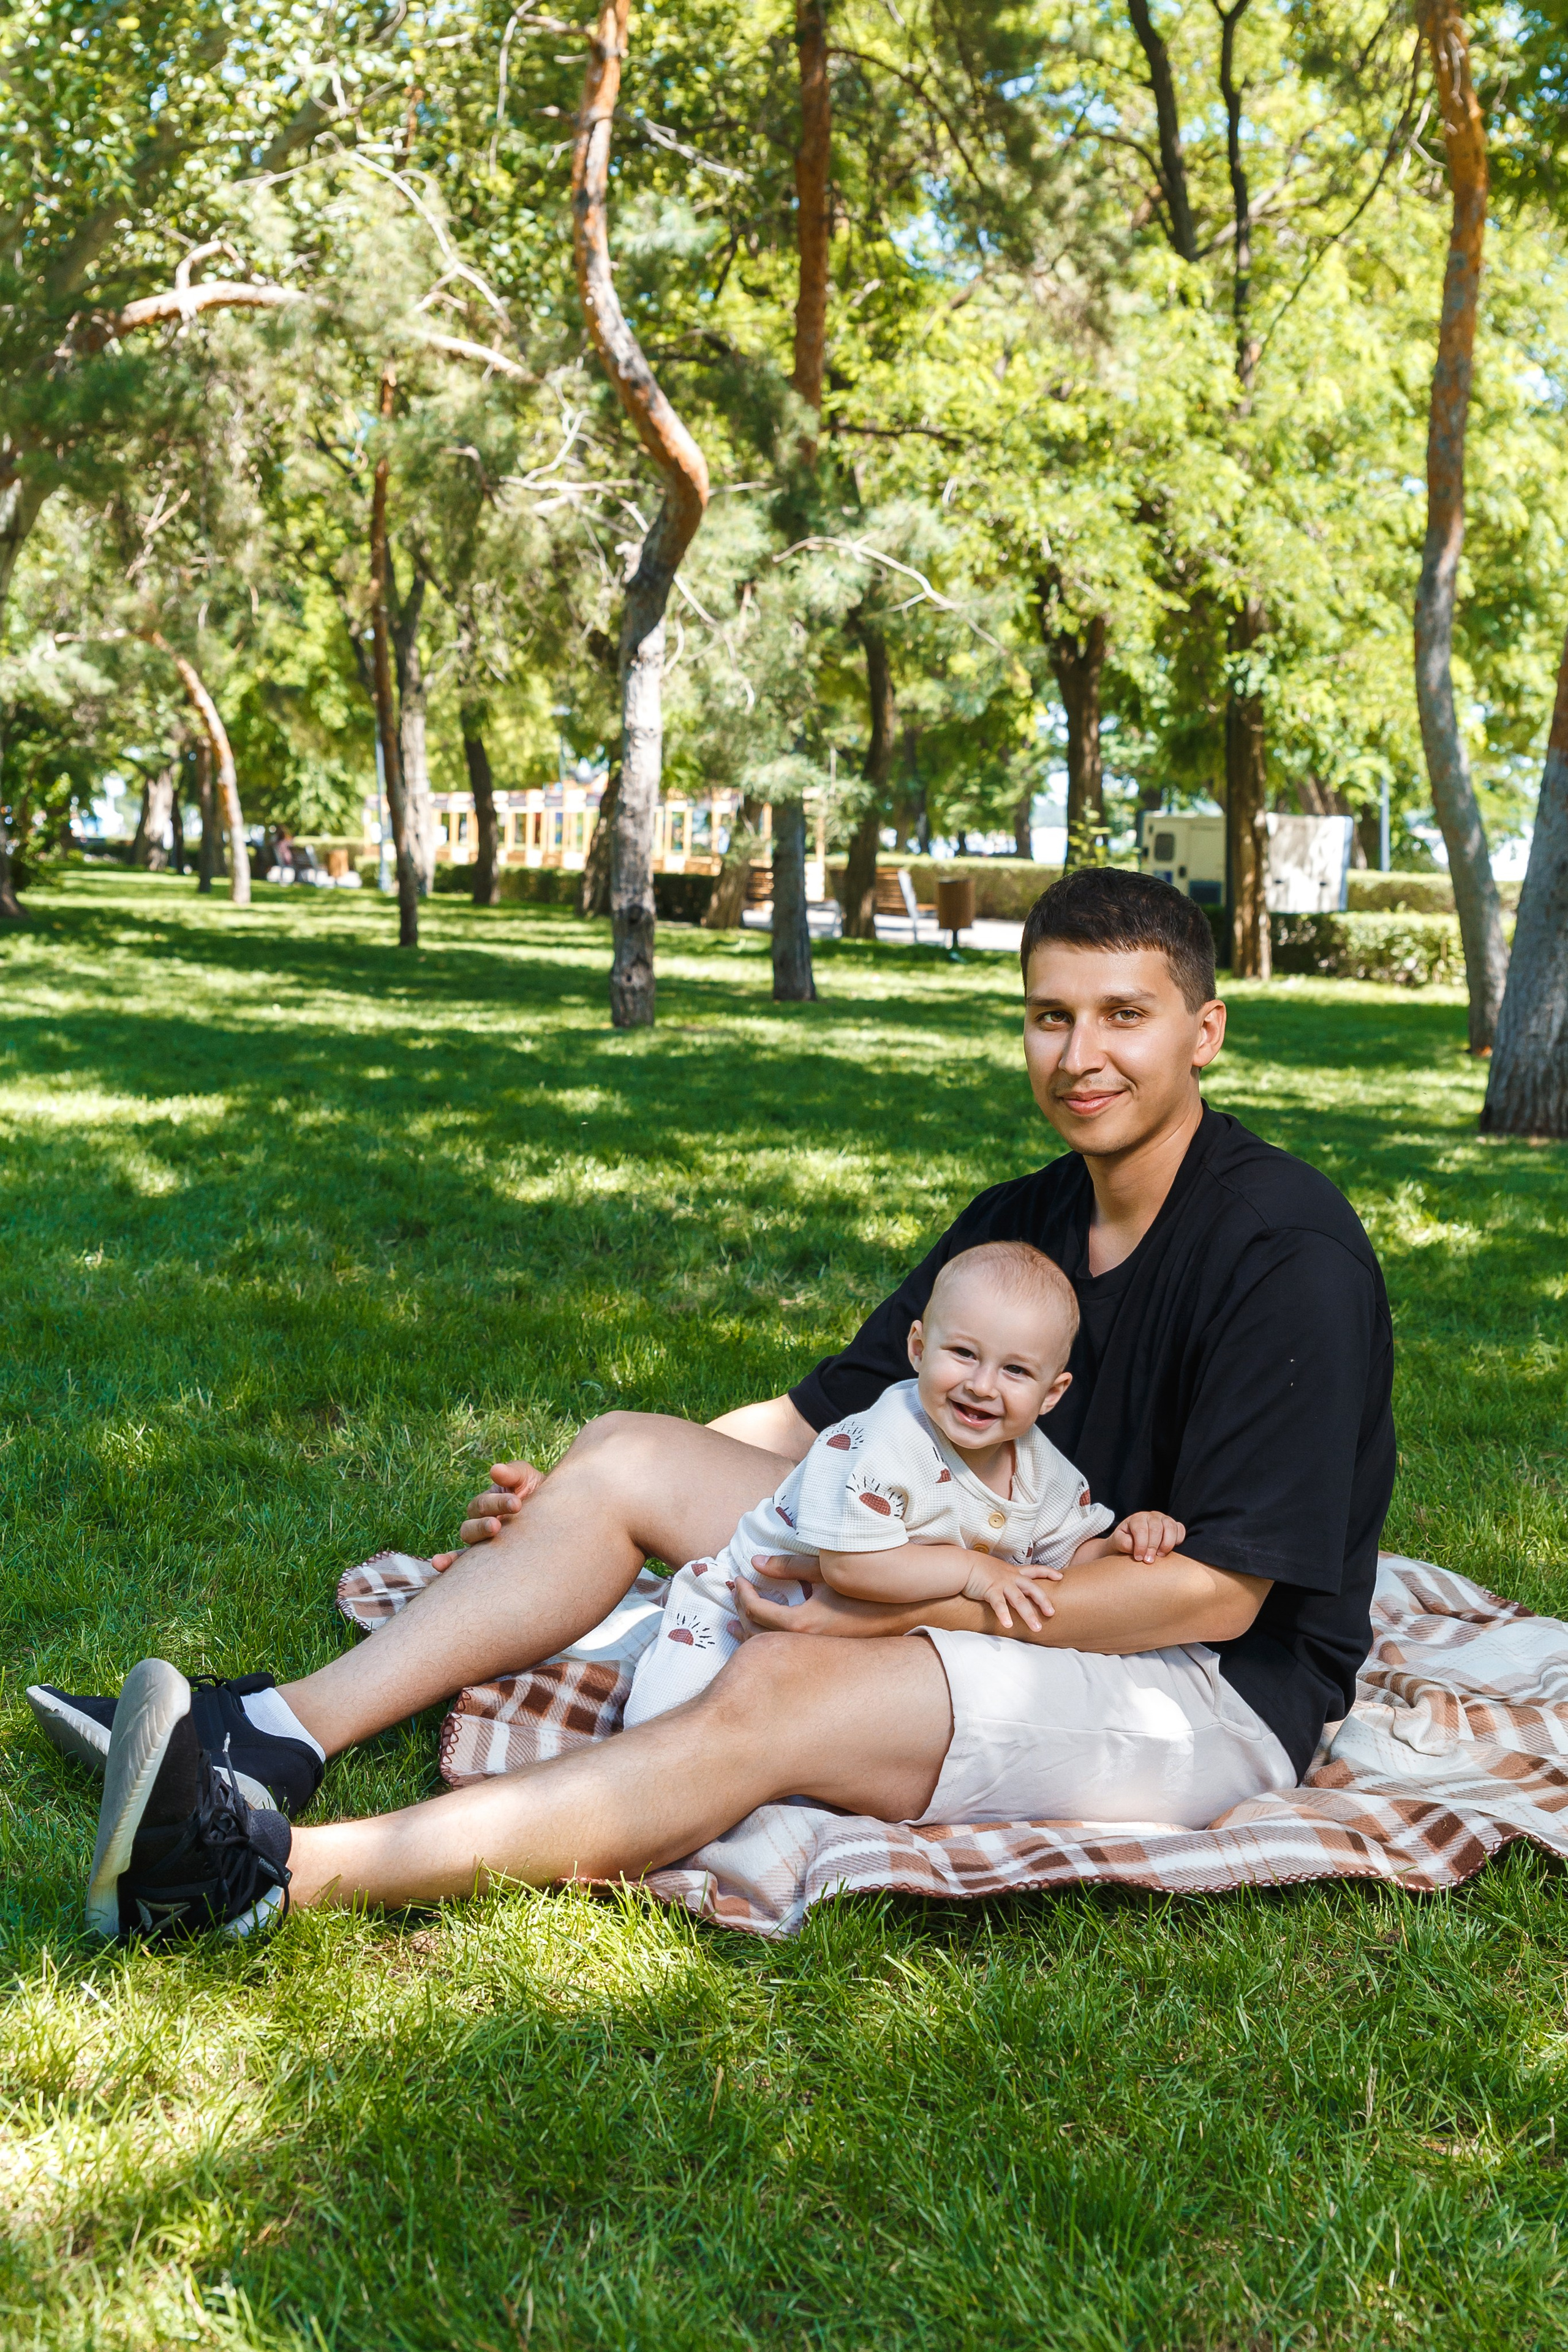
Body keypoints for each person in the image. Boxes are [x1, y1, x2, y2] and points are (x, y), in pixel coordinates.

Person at [33, 867, 1396, 1941]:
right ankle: (274, 1738)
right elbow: (815, 1428)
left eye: (1122, 1015)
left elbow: (1216, 1599)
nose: (1078, 1054)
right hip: (987, 1560)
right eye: (1050, 1015)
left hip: (1192, 1690)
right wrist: (573, 1498)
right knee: (625, 1452)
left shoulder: (1286, 1256)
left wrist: (892, 1603)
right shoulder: (1020, 1227)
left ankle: (258, 1876)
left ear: (1202, 1030)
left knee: (783, 1674)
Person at [623, 1238, 1183, 1727]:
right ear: (918, 1349)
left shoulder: (1044, 1471)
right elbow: (852, 1567)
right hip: (745, 1603)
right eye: (963, 1353)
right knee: (670, 1724)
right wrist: (973, 1571)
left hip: (857, 1636)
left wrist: (1118, 1544)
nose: (983, 1385)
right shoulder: (883, 1441)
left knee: (804, 1742)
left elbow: (1063, 1560)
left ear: (1052, 1393)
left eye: (1015, 1370)